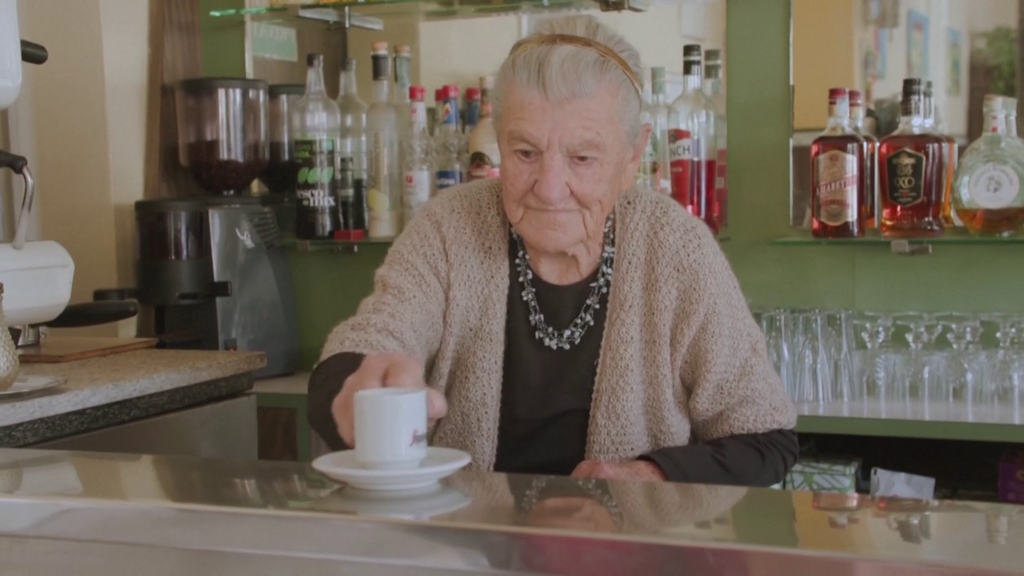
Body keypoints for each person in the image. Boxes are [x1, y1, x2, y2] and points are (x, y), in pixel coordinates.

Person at [308, 15, 798, 486]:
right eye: (524, 153)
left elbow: (765, 439)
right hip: (464, 553)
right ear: (498, 139)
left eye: (582, 158)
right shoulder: (448, 228)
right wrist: (358, 391)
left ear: (632, 158)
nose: (549, 187)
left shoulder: (675, 248)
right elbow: (366, 344)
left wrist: (647, 477)